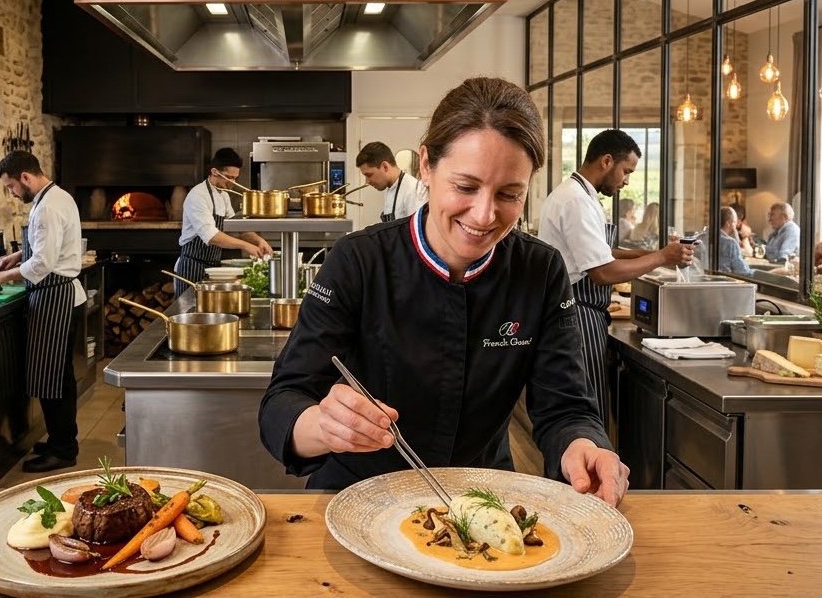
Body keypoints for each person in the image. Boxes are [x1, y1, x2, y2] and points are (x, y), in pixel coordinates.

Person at [258, 77, 629, 507]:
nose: (485, 214)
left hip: (483, 502)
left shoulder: (539, 270)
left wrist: (582, 446)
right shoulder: (358, 261)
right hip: (356, 499)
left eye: (510, 194)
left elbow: (565, 408)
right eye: (466, 187)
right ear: (426, 166)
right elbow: (282, 401)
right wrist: (323, 425)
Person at [537, 129, 693, 410]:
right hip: (576, 313)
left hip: (582, 312)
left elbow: (603, 253)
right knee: (587, 409)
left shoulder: (581, 194)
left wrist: (663, 256)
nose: (626, 181)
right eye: (627, 171)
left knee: (585, 405)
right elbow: (603, 273)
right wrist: (660, 257)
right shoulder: (576, 201)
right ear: (607, 161)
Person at [0, 151, 87, 473]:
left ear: (25, 177)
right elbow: (43, 249)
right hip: (59, 295)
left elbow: (43, 262)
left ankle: (64, 450)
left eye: (11, 186)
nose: (12, 193)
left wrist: (1, 276)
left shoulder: (48, 207)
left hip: (55, 297)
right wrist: (16, 255)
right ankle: (60, 439)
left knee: (52, 379)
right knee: (57, 378)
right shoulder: (56, 196)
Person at [173, 148, 273, 294]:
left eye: (235, 178)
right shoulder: (198, 195)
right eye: (229, 177)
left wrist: (258, 241)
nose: (232, 182)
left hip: (212, 269)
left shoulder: (223, 195)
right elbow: (212, 236)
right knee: (189, 311)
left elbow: (237, 228)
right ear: (214, 172)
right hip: (192, 266)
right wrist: (246, 246)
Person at [356, 141, 428, 222]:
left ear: (385, 167)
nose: (367, 181)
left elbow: (416, 230)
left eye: (369, 175)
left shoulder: (413, 191)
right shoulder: (389, 188)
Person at [712, 206, 752, 276]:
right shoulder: (730, 243)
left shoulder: (701, 237)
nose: (736, 227)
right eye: (735, 223)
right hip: (724, 283)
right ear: (729, 223)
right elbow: (743, 272)